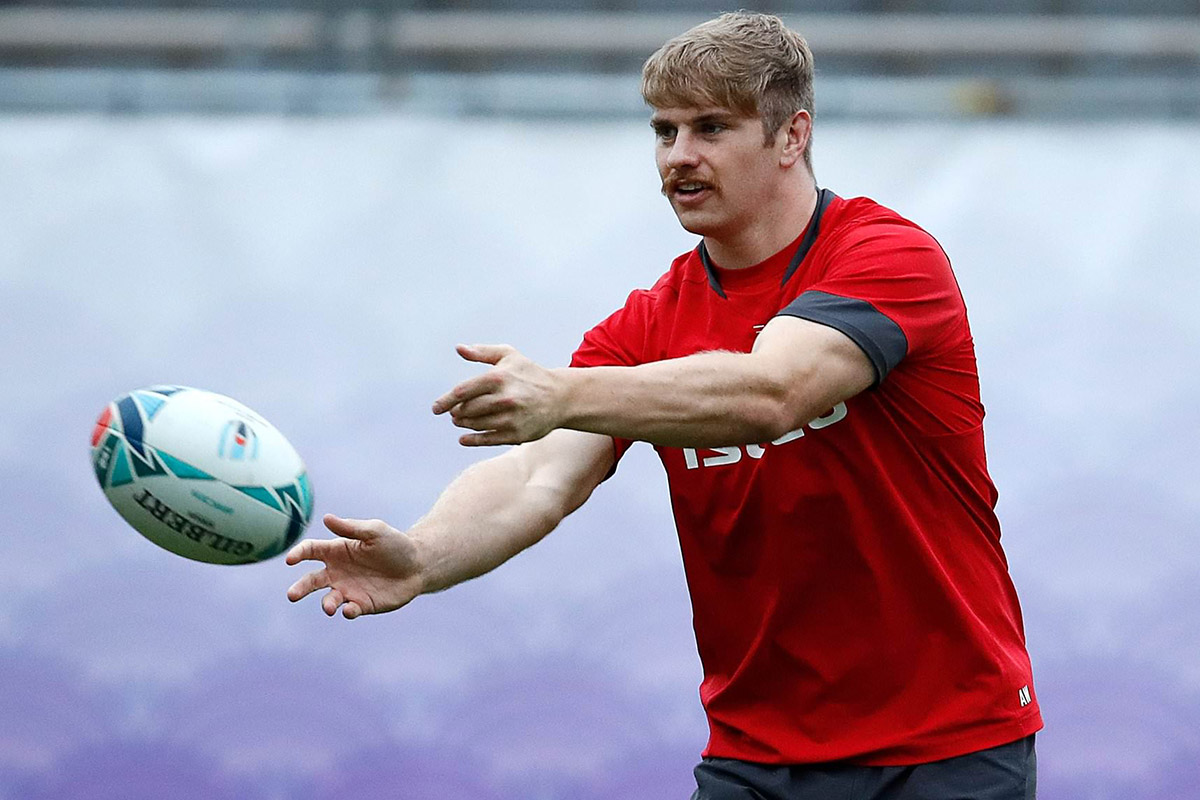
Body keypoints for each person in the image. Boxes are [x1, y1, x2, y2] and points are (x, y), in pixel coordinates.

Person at [286, 11, 1042, 799]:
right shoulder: (649, 322)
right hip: (757, 758)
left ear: (792, 137)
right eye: (664, 130)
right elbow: (540, 478)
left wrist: (563, 392)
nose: (679, 156)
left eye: (711, 127)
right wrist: (425, 556)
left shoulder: (886, 255)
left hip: (948, 747)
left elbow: (774, 392)